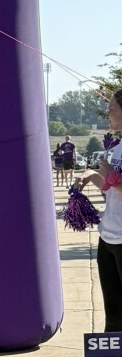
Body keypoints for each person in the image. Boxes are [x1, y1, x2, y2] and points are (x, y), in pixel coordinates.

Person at [74, 89, 122, 331]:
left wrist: (111, 177)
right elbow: (109, 190)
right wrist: (91, 176)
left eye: (111, 109)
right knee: (113, 311)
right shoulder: (117, 148)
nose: (107, 115)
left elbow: (115, 183)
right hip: (109, 236)